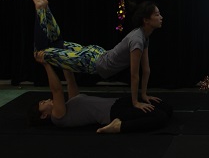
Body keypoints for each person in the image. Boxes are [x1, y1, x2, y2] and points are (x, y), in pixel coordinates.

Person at [28, 0, 162, 112]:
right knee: (40, 52)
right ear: (146, 20)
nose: (161, 17)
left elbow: (146, 69)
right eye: (157, 15)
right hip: (92, 62)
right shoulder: (138, 39)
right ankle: (41, 8)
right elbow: (134, 75)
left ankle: (45, 8)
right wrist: (135, 102)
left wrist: (144, 94)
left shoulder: (142, 36)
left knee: (57, 43)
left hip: (96, 54)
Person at [28, 57, 172, 133]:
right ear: (43, 115)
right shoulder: (57, 117)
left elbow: (70, 81)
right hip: (113, 113)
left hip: (118, 102)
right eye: (43, 103)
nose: (48, 100)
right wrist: (46, 64)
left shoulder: (69, 104)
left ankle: (122, 124)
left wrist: (61, 58)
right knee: (160, 117)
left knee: (167, 108)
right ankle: (119, 127)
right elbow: (57, 90)